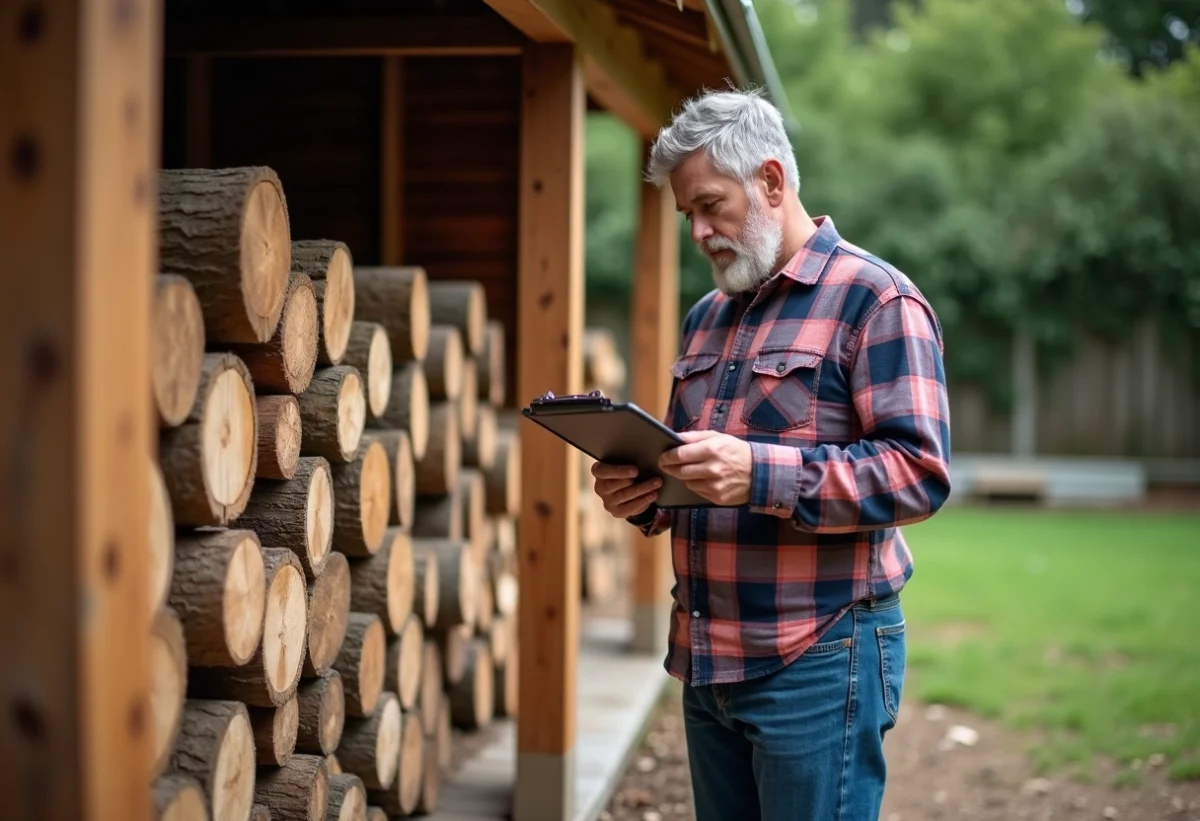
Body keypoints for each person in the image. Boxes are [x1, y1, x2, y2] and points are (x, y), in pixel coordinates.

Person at [590, 87, 952, 821]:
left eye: (711, 205)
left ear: (773, 181)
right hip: (705, 658)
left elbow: (918, 474)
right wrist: (647, 493)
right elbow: (690, 464)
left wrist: (759, 472)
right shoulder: (707, 315)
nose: (697, 231)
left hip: (819, 657)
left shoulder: (877, 300)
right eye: (687, 213)